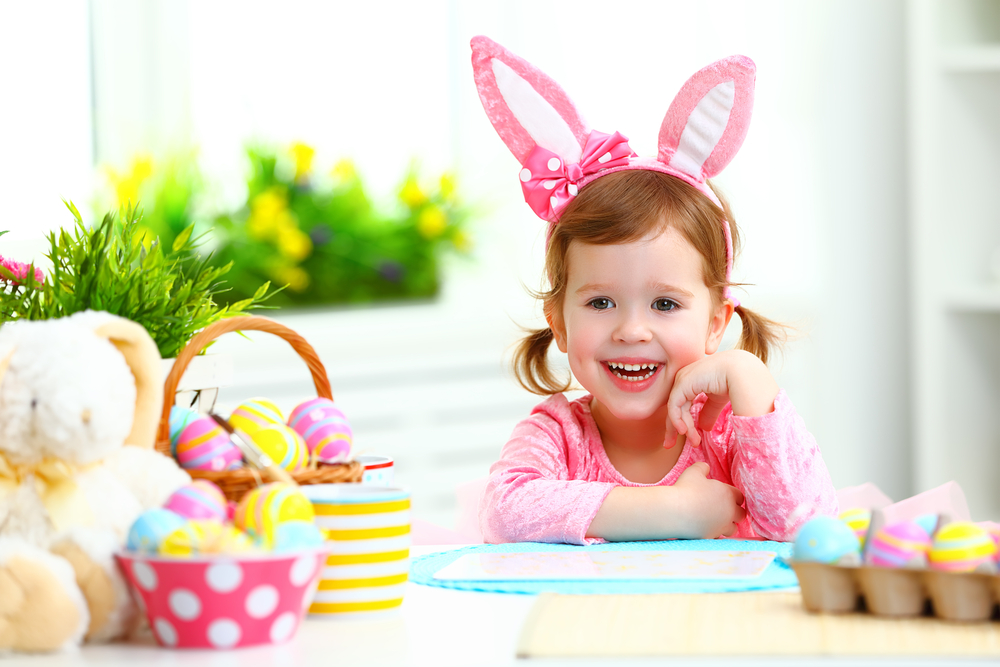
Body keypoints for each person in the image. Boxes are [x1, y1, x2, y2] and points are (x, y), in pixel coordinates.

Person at [470, 36, 837, 545]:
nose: (632, 330)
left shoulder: (730, 432)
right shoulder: (558, 435)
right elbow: (504, 515)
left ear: (715, 323)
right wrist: (674, 511)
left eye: (665, 304)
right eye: (601, 302)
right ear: (558, 322)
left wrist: (749, 378)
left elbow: (808, 528)